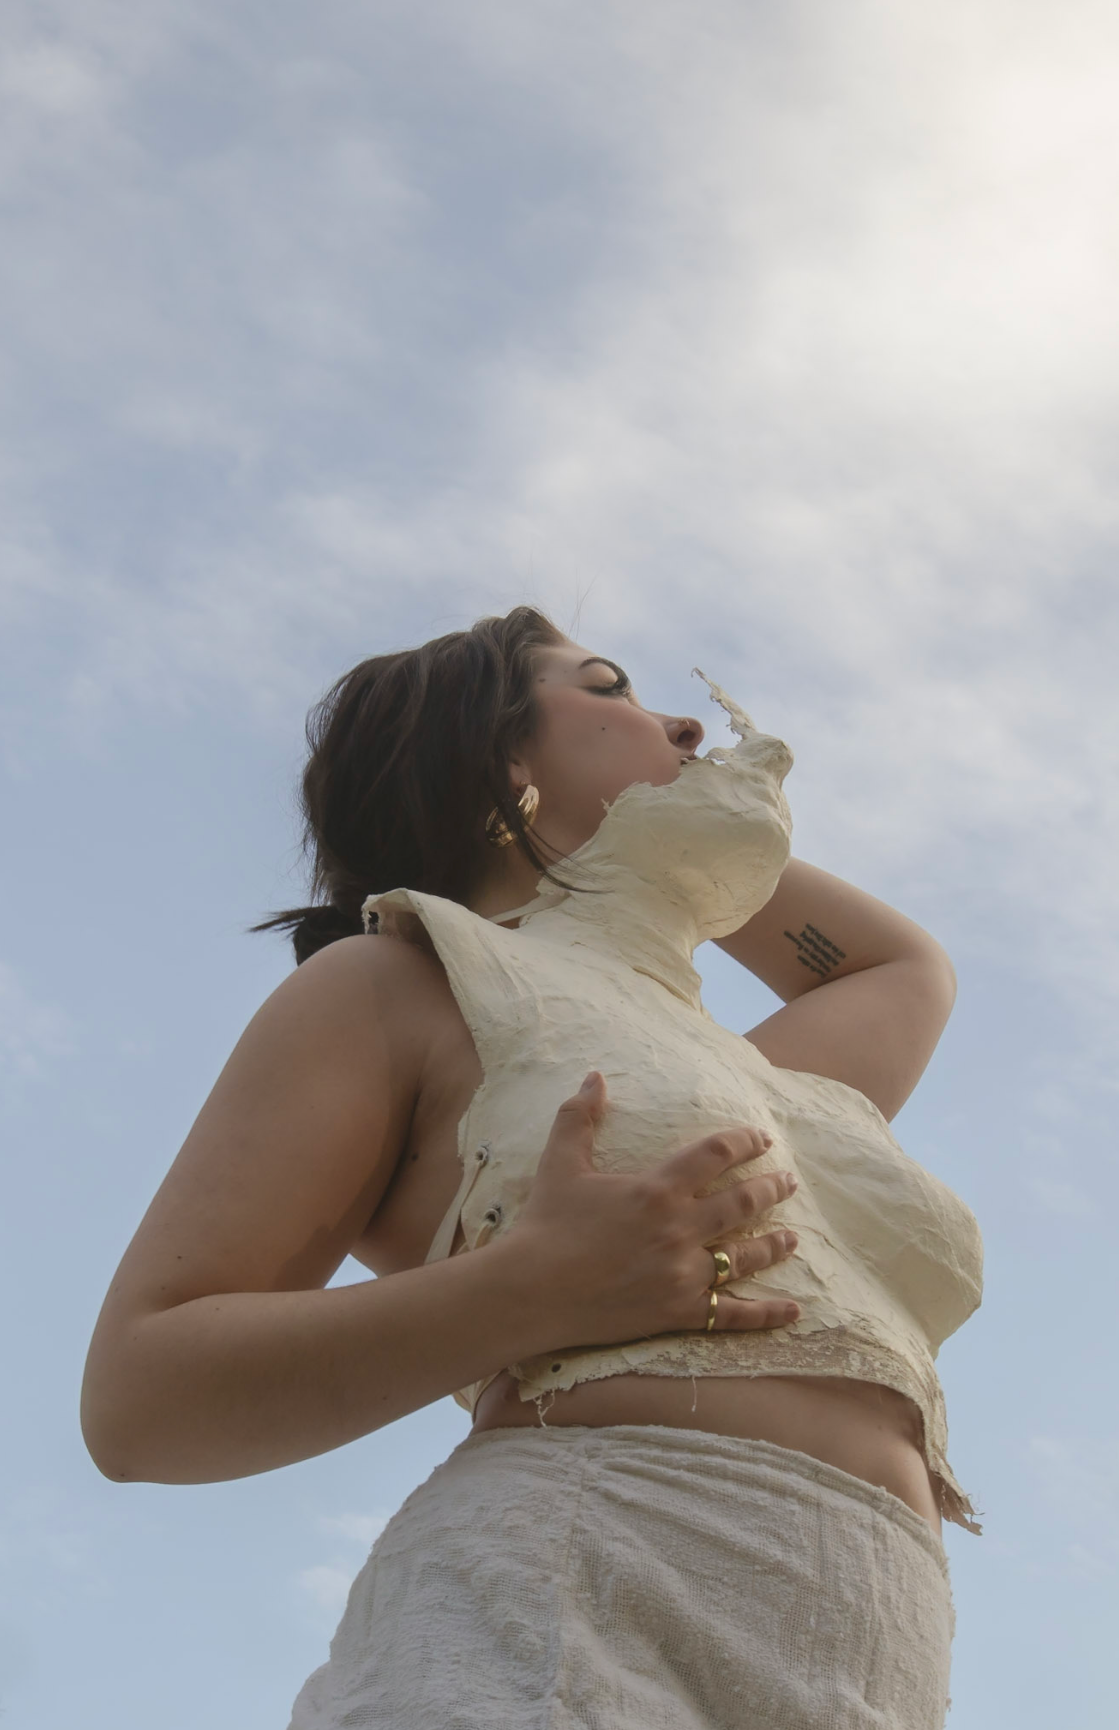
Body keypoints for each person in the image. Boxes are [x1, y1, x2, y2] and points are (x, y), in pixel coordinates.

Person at [80, 605, 983, 1729]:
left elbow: (902, 966)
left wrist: (694, 846)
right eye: (606, 687)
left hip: (869, 1654)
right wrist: (524, 1287)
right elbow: (139, 1403)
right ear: (497, 759)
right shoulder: (399, 983)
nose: (688, 725)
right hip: (567, 1609)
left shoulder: (742, 1070)